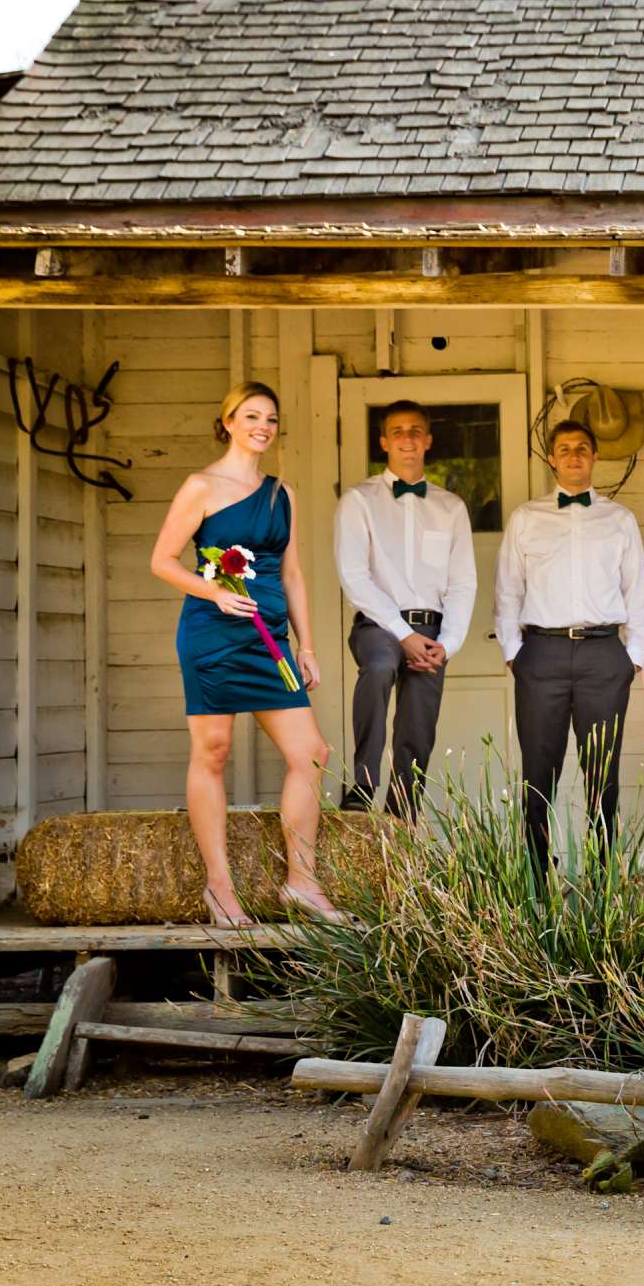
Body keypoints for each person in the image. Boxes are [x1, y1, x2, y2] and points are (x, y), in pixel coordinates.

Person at [149, 381, 348, 927]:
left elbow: (292, 573)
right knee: (212, 753)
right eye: (252, 415)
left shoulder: (283, 493)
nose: (263, 425)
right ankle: (220, 889)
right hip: (212, 633)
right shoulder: (200, 486)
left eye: (272, 418)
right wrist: (214, 591)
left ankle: (302, 884)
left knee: (311, 752)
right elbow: (163, 560)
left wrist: (305, 645)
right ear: (229, 420)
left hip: (269, 641)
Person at [494, 419, 644, 883]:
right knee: (539, 769)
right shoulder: (526, 518)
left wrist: (634, 657)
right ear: (552, 459)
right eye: (564, 449)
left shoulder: (619, 519)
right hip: (540, 654)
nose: (574, 456)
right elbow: (508, 590)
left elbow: (637, 590)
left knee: (602, 770)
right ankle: (538, 873)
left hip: (604, 655)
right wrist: (514, 653)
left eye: (582, 448)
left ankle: (604, 877)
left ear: (594, 456)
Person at [332, 400, 476, 818]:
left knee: (418, 724)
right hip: (378, 624)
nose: (408, 438)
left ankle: (402, 810)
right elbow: (355, 576)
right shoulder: (359, 500)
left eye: (416, 430)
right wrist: (403, 634)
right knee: (379, 667)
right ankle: (362, 785)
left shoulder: (451, 507)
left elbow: (463, 582)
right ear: (383, 442)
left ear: (428, 440)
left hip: (432, 631)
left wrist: (446, 644)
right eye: (398, 431)